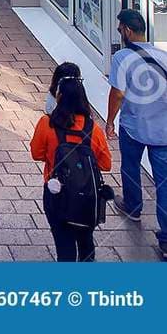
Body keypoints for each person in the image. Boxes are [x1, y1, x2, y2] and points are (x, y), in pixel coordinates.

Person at [106, 8, 167, 259]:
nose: (120, 33)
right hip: (163, 129)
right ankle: (166, 240)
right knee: (164, 183)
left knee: (130, 167)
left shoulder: (122, 57)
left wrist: (109, 121)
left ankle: (133, 205)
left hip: (133, 125)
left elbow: (118, 93)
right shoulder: (164, 56)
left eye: (120, 29)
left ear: (128, 31)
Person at [30, 76, 111, 262]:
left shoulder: (47, 123)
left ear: (59, 98)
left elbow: (36, 153)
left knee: (63, 245)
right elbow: (106, 164)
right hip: (88, 197)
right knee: (86, 241)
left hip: (56, 193)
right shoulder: (94, 130)